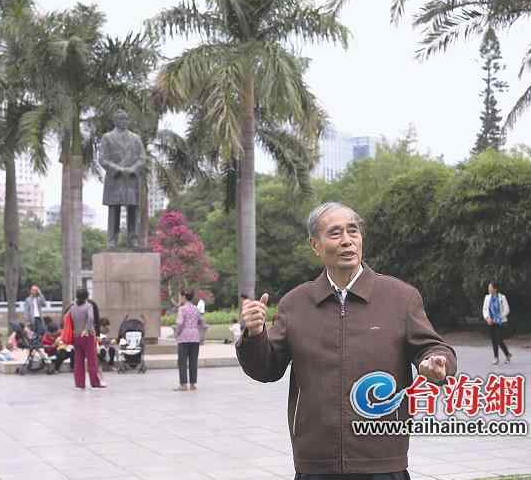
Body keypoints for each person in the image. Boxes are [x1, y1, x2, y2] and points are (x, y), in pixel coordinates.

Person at [238, 202, 456, 478]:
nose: (347, 241)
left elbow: (433, 347)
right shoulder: (296, 303)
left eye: (353, 231)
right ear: (315, 245)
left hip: (382, 462)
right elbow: (266, 369)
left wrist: (437, 362)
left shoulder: (400, 297)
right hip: (315, 464)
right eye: (335, 233)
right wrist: (254, 335)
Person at [99, 109, 145, 249]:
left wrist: (133, 169)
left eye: (125, 119)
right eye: (120, 119)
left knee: (133, 210)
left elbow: (142, 158)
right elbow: (102, 159)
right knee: (114, 210)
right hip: (115, 179)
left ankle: (133, 239)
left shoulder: (136, 138)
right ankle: (112, 240)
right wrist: (117, 169)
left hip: (131, 179)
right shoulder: (107, 137)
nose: (123, 122)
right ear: (115, 121)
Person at [69, 288, 104, 389]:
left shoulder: (73, 307)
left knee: (78, 361)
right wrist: (87, 329)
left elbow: (70, 319)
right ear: (86, 296)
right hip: (87, 335)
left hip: (77, 335)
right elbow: (91, 318)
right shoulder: (89, 306)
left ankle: (79, 383)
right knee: (91, 360)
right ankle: (95, 382)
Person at [174, 289, 204, 391]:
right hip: (195, 338)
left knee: (182, 361)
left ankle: (183, 385)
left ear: (184, 297)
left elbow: (180, 323)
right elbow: (201, 322)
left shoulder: (182, 309)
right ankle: (192, 384)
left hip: (183, 338)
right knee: (193, 361)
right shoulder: (196, 309)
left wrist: (176, 333)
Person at [482, 281, 512, 365]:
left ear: (495, 289)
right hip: (491, 322)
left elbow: (507, 310)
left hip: (500, 322)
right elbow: (485, 309)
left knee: (499, 339)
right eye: (488, 287)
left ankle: (507, 354)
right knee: (494, 340)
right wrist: (487, 318)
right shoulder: (487, 298)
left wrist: (498, 317)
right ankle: (496, 357)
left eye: (490, 287)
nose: (489, 289)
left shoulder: (502, 297)